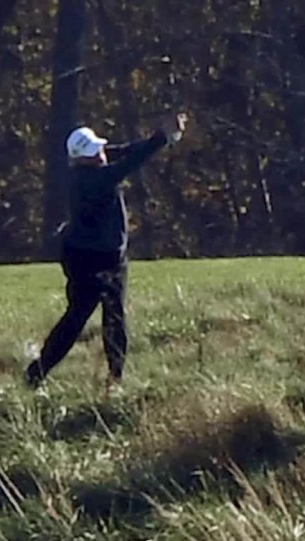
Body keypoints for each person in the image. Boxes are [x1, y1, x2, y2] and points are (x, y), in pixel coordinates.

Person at [24, 112, 189, 392]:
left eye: (99, 148)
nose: (101, 154)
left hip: (108, 257)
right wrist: (161, 138)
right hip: (89, 260)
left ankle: (114, 379)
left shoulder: (89, 165)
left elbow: (125, 151)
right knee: (78, 318)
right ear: (81, 159)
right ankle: (37, 373)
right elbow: (129, 163)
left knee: (114, 316)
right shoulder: (94, 180)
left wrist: (164, 138)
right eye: (94, 152)